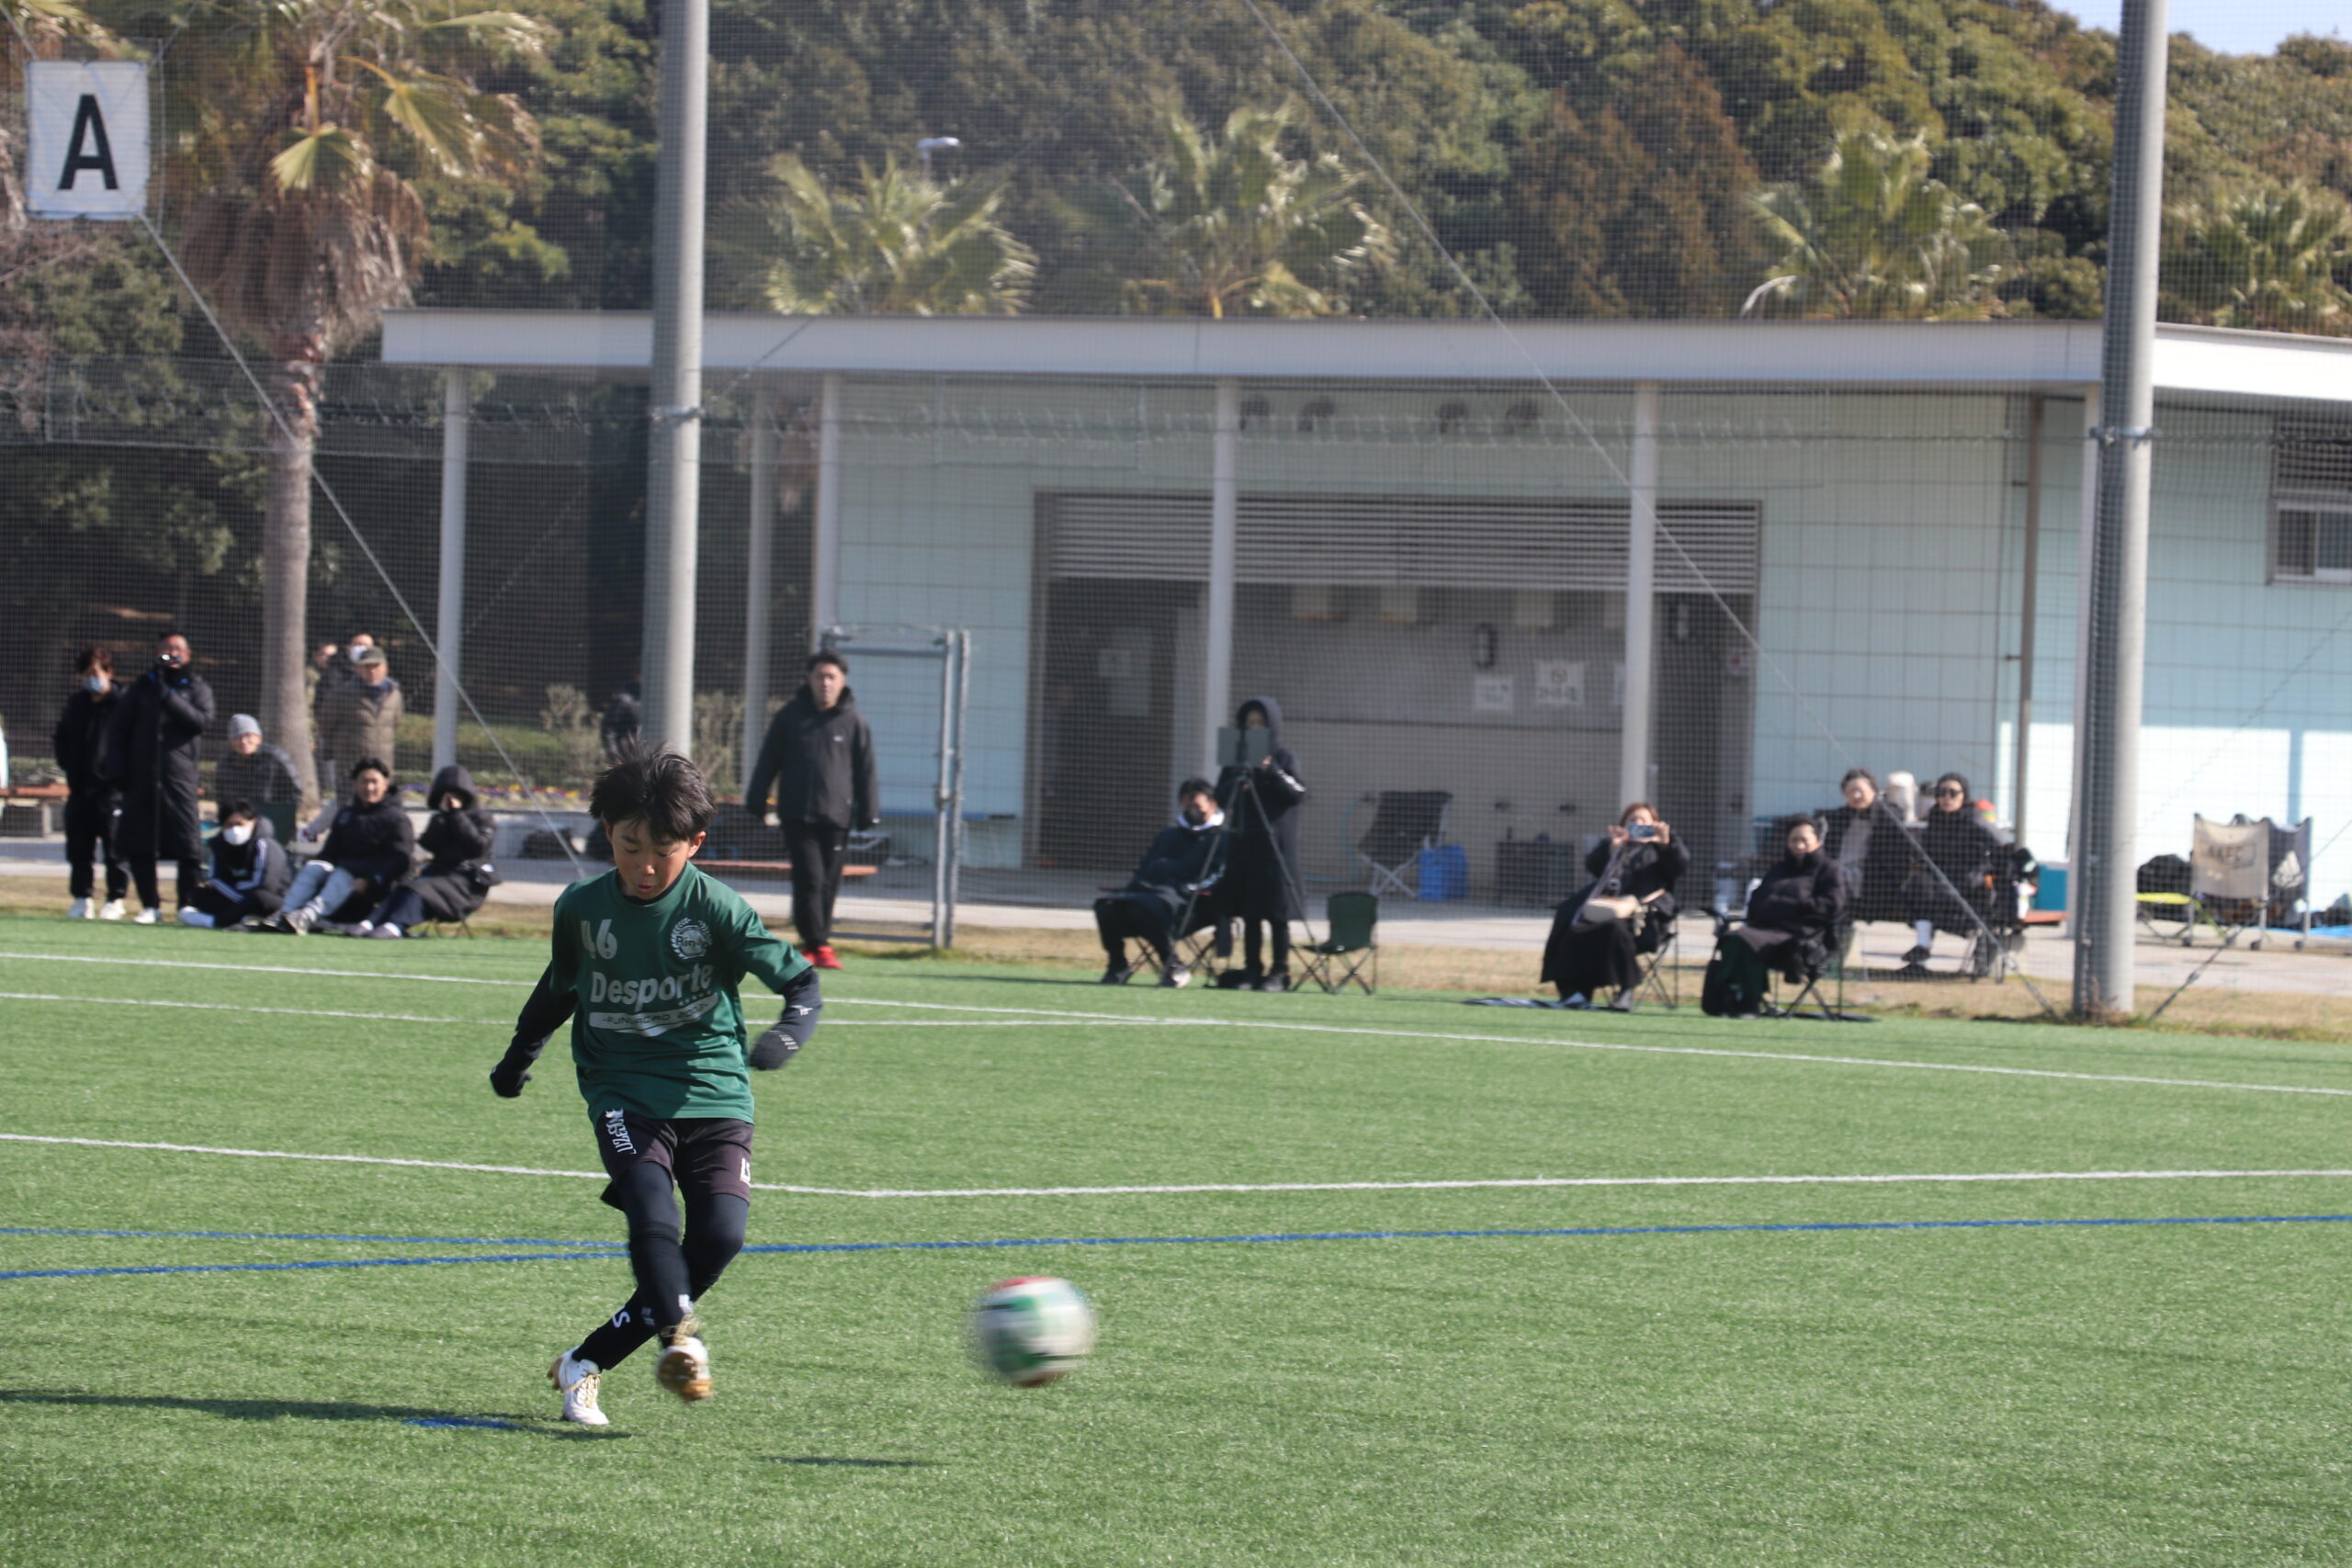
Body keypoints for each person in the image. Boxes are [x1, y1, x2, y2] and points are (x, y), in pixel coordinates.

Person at [487, 746, 823, 1426]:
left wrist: (786, 1036)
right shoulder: (582, 908)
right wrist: (518, 1054)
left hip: (714, 1089)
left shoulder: (717, 908)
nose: (643, 866)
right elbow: (560, 988)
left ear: (694, 843)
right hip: (622, 1088)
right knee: (651, 1210)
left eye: (661, 852)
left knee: (720, 1236)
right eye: (628, 846)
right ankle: (682, 1339)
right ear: (606, 831)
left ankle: (585, 1360)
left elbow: (802, 984)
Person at [744, 651, 877, 971]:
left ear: (842, 681)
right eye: (820, 676)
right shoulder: (790, 717)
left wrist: (868, 810)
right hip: (798, 815)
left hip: (837, 817)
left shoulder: (854, 721)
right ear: (809, 679)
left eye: (832, 677)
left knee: (829, 881)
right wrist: (756, 799)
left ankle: (819, 942)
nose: (825, 683)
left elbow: (866, 769)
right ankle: (816, 943)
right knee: (810, 878)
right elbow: (768, 760)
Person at [99, 631, 217, 923]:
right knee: (142, 844)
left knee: (188, 846)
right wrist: (117, 769)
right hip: (142, 779)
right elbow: (118, 729)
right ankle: (150, 905)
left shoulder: (197, 687)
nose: (171, 654)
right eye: (166, 649)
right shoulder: (141, 687)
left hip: (180, 779)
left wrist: (168, 697)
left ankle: (187, 905)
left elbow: (200, 721)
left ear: (188, 655)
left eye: (177, 649)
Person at [1540, 802, 1690, 1010]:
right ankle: (1575, 991)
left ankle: (1627, 989)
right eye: (1632, 820)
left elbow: (1679, 865)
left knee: (1614, 927)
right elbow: (1593, 865)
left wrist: (1666, 843)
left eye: (1643, 821)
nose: (1638, 824)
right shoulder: (1617, 846)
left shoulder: (1661, 846)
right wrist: (1612, 848)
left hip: (1645, 918)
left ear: (1654, 824)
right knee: (1572, 924)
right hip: (1609, 909)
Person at [1706, 816, 1849, 1017]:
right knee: (1732, 938)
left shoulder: (1829, 870)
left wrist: (1793, 906)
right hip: (1764, 931)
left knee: (1745, 940)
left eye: (1804, 840)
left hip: (1801, 938)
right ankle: (1732, 995)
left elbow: (1834, 905)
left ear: (1817, 842)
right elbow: (1757, 901)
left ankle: (1748, 1001)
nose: (1798, 845)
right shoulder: (1778, 869)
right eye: (1793, 840)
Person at [1093, 776, 1227, 987]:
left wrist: (1186, 889)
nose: (1192, 811)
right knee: (1107, 906)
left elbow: (1218, 877)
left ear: (1212, 805)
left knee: (1143, 909)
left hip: (1192, 906)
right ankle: (1117, 965)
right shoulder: (1167, 836)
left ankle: (1172, 965)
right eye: (1187, 806)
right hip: (1152, 899)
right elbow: (1144, 870)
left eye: (1198, 807)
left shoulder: (1222, 839)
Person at [1214, 696, 1306, 991]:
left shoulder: (1284, 755)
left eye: (1260, 723)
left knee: (1277, 912)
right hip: (1245, 843)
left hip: (1276, 847)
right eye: (1250, 722)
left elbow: (1297, 793)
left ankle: (1280, 971)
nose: (1254, 728)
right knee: (1250, 911)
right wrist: (1237, 781)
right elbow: (1220, 796)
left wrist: (1271, 771)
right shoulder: (1237, 757)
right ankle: (1252, 969)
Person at [264, 758, 415, 933]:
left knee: (343, 874)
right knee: (314, 868)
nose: (369, 787)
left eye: (374, 782)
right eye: (364, 781)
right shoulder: (347, 815)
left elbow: (399, 860)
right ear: (355, 784)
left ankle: (307, 916)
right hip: (343, 875)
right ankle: (284, 913)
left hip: (378, 883)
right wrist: (319, 865)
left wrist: (371, 881)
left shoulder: (396, 818)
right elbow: (330, 853)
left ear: (385, 784)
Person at [354, 763, 500, 939]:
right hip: (439, 876)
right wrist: (443, 818)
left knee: (421, 888)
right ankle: (371, 922)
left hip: (466, 884)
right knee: (405, 888)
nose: (450, 800)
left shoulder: (483, 819)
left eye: (455, 795)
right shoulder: (441, 818)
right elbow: (429, 843)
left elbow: (477, 847)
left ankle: (395, 925)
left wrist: (456, 815)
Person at [1901, 771, 2006, 977]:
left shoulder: (1974, 820)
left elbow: (2002, 845)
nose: (1947, 798)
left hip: (1968, 884)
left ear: (1963, 796)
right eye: (1941, 793)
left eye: (1953, 793)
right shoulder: (1934, 820)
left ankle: (1981, 958)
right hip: (1937, 885)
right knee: (1919, 883)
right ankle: (1922, 947)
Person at [51, 646, 128, 919]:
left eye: (94, 673)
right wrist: (69, 764)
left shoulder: (123, 704)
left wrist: (118, 774)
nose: (90, 679)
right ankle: (82, 898)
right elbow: (61, 737)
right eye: (85, 674)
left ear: (109, 672)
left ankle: (116, 898)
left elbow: (134, 743)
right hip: (80, 789)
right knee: (79, 848)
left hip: (112, 791)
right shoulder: (77, 703)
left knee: (115, 848)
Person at [178, 800, 294, 929]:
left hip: (273, 899)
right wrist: (238, 898)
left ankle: (217, 921)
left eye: (240, 824)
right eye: (229, 825)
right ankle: (244, 917)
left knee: (259, 898)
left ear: (253, 822)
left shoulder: (265, 845)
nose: (235, 829)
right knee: (198, 895)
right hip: (238, 896)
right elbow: (216, 879)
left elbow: (266, 885)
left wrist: (238, 895)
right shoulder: (219, 844)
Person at [1819, 767, 1907, 926]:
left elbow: (1897, 817)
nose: (1856, 796)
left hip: (1871, 879)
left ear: (1874, 790)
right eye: (1850, 791)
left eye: (1860, 790)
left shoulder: (1886, 813)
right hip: (1838, 875)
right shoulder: (1838, 817)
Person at [319, 645, 402, 783]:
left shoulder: (394, 695)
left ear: (386, 667)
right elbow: (326, 725)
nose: (372, 671)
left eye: (376, 666)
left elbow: (395, 723)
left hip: (382, 767)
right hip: (351, 768)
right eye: (367, 666)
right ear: (358, 668)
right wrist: (341, 748)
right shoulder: (342, 694)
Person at [214, 714, 301, 808]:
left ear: (259, 738)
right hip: (238, 815)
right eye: (238, 737)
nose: (243, 741)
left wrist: (283, 812)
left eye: (248, 735)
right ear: (231, 742)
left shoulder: (276, 757)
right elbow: (220, 796)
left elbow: (295, 791)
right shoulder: (225, 763)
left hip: (272, 813)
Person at [601, 679, 644, 762]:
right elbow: (609, 729)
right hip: (627, 756)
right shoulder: (623, 700)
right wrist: (614, 755)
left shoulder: (651, 699)